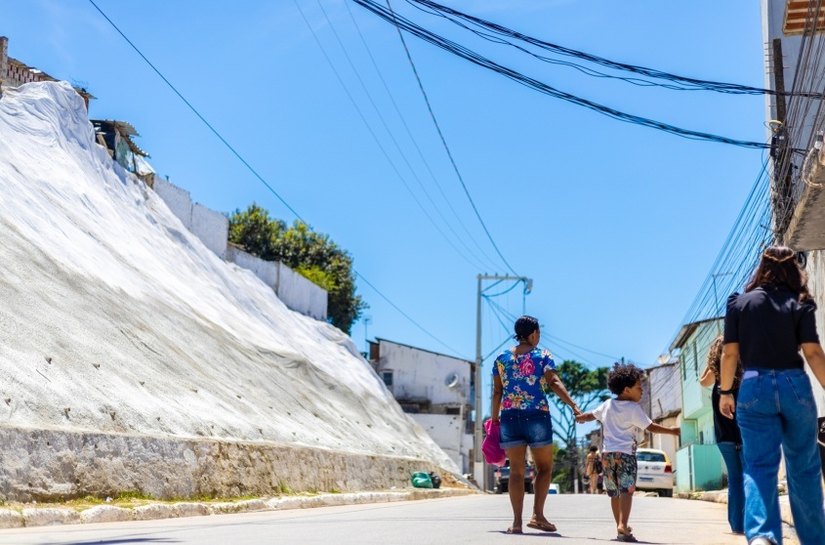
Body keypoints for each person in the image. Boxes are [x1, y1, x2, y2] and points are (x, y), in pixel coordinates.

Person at [720, 245, 825, 545]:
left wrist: (726, 391)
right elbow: (813, 353)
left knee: (759, 465)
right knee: (804, 465)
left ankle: (763, 536)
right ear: (794, 268)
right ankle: (815, 539)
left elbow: (729, 354)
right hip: (794, 385)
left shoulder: (738, 304)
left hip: (753, 386)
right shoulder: (800, 302)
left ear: (761, 267)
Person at [491, 315, 581, 534]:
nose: (539, 337)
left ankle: (516, 523)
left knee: (516, 472)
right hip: (537, 415)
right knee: (544, 468)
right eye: (538, 333)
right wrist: (573, 406)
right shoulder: (542, 355)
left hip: (510, 416)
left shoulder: (501, 358)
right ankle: (538, 516)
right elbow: (554, 382)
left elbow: (497, 391)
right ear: (532, 334)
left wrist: (495, 419)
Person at [576, 362, 680, 543]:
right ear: (626, 390)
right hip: (626, 455)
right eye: (639, 388)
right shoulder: (633, 408)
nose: (641, 391)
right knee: (627, 491)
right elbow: (651, 427)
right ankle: (623, 524)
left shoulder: (607, 404)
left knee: (614, 493)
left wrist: (580, 417)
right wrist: (673, 431)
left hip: (607, 455)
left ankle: (621, 527)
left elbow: (591, 415)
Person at [699, 335, 744, 535]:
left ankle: (737, 525)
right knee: (749, 475)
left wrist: (712, 363)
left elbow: (702, 381)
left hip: (724, 435)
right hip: (745, 434)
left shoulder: (716, 380)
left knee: (735, 478)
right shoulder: (745, 374)